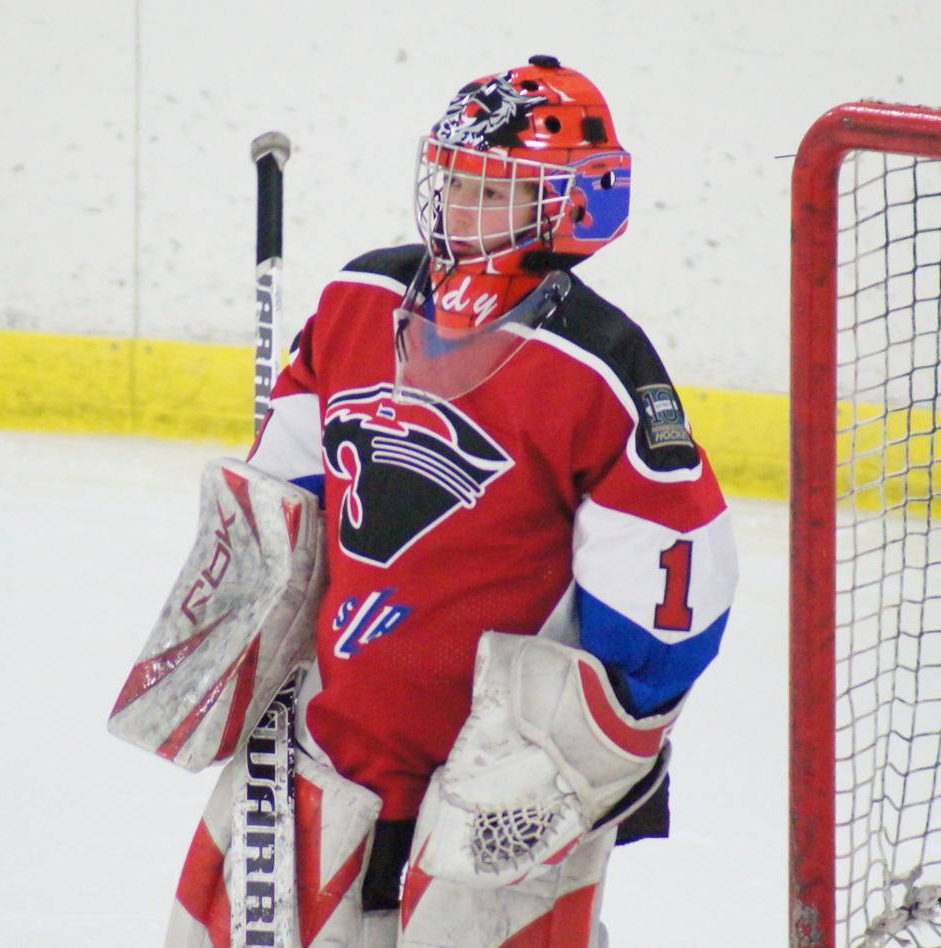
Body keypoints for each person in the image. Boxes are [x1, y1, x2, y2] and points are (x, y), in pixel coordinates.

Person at [184, 54, 737, 947]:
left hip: (492, 787)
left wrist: (585, 746)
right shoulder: (360, 300)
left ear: (574, 205)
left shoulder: (602, 368)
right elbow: (286, 506)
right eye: (453, 180)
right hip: (334, 737)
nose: (457, 208)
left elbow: (669, 595)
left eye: (492, 189)